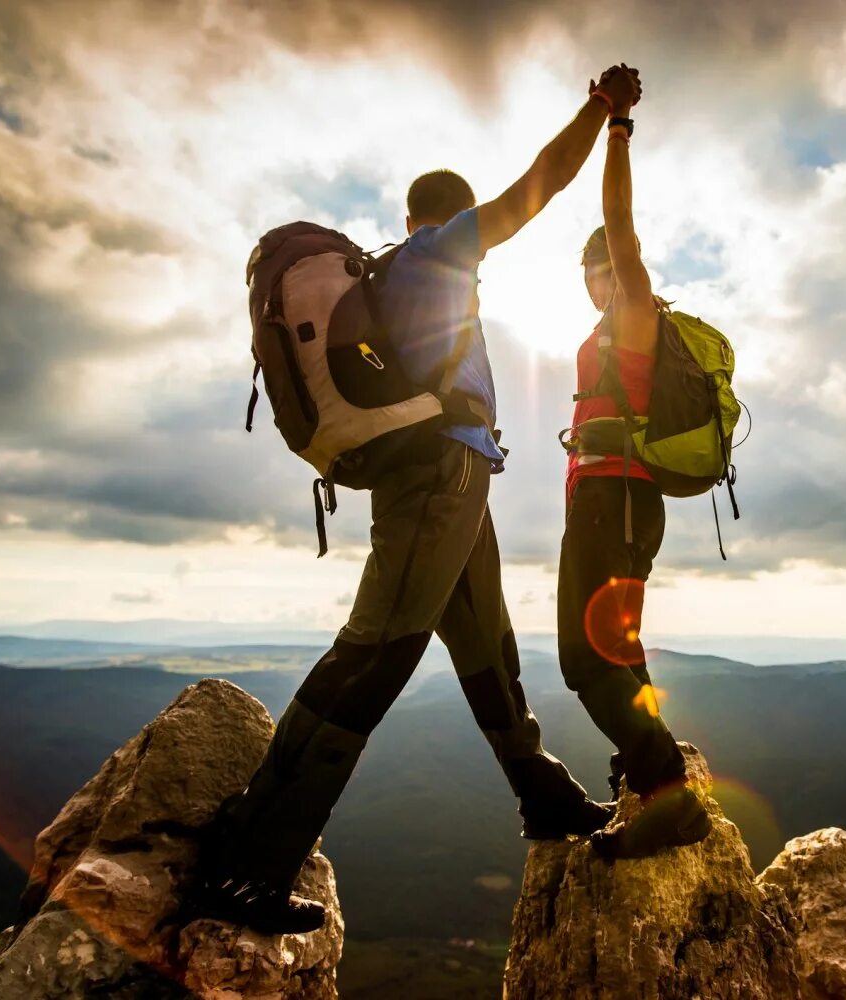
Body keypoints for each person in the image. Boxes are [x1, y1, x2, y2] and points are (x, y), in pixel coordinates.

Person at [195, 65, 646, 934]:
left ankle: (542, 794)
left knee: (490, 651)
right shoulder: (442, 252)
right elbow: (539, 189)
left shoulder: (395, 267)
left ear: (403, 218)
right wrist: (604, 112)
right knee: (376, 653)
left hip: (455, 477)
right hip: (439, 477)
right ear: (445, 220)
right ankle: (248, 863)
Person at [558, 78, 713, 860]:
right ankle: (651, 765)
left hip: (613, 498)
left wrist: (616, 127)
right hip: (617, 499)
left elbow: (620, 223)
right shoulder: (609, 333)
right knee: (620, 649)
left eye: (606, 268)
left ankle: (667, 801)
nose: (602, 278)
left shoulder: (636, 311)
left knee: (581, 660)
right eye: (593, 271)